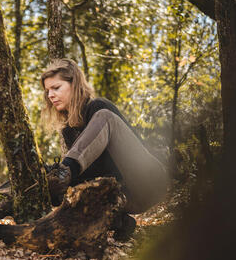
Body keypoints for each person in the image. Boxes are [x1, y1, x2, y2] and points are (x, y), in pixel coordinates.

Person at [40, 58, 168, 240]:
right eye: (47, 91)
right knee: (58, 180)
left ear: (74, 85)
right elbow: (92, 174)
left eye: (56, 88)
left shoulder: (98, 107)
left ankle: (65, 170)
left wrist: (65, 172)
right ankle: (120, 221)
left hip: (148, 180)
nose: (50, 95)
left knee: (105, 118)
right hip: (126, 197)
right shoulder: (69, 130)